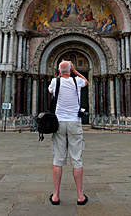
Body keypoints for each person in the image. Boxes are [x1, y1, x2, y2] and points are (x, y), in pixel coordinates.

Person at [47, 61, 89, 206]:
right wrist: (74, 71)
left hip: (58, 123)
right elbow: (86, 81)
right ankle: (80, 196)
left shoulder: (54, 81)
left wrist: (60, 74)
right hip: (74, 123)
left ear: (59, 70)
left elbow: (49, 90)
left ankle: (56, 196)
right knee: (77, 159)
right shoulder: (77, 81)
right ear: (70, 70)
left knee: (58, 159)